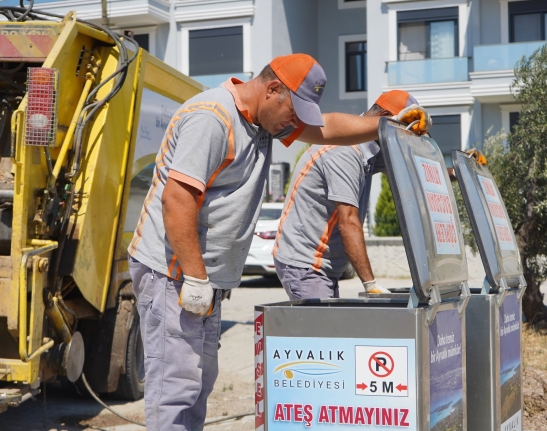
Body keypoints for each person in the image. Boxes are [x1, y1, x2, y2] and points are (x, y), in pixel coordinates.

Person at [127, 54, 429, 431]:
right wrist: (195, 276)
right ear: (272, 89)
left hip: (201, 278)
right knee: (176, 388)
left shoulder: (263, 120)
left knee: (198, 383)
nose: (296, 123)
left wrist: (387, 126)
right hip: (172, 273)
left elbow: (330, 128)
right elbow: (177, 200)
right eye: (295, 111)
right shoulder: (212, 118)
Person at [272, 90, 422, 300]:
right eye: (400, 133)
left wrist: (455, 172)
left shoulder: (368, 148)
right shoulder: (346, 151)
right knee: (322, 331)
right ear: (385, 118)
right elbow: (348, 222)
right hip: (307, 264)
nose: (401, 142)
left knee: (329, 329)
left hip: (321, 266)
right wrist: (371, 284)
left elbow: (409, 170)